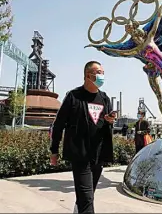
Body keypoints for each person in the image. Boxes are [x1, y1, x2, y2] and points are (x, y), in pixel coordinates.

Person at [50, 61, 116, 214]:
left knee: (87, 195)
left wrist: (109, 121)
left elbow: (107, 124)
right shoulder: (73, 96)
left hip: (98, 155)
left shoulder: (104, 98)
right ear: (88, 75)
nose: (102, 76)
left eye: (103, 73)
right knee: (87, 199)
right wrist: (54, 150)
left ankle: (78, 209)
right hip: (80, 154)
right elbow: (58, 124)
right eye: (98, 72)